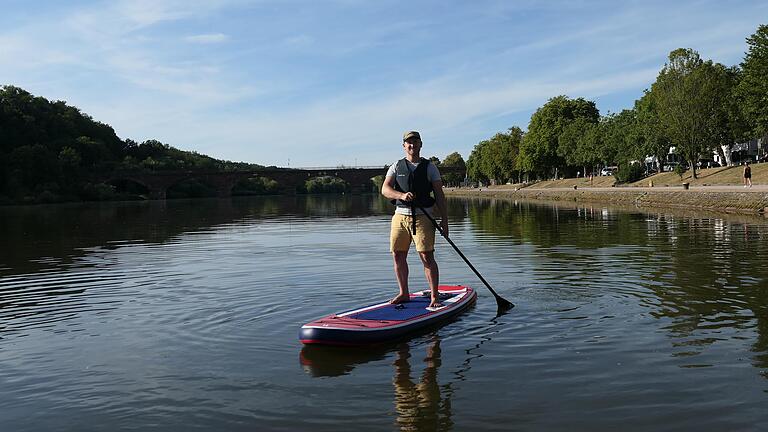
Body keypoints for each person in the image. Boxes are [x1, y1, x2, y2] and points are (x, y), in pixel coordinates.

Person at [381, 131, 448, 308]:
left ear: (420, 144)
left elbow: (439, 195)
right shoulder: (396, 166)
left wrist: (445, 221)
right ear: (404, 146)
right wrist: (401, 195)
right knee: (398, 255)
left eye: (415, 142)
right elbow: (385, 190)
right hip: (400, 216)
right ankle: (404, 293)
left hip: (423, 216)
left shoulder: (430, 167)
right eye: (409, 142)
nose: (412, 145)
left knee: (426, 256)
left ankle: (434, 296)